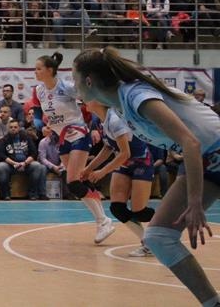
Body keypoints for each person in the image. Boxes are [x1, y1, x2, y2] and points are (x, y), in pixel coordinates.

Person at [72, 47, 220, 305]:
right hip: (202, 161)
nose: (73, 86)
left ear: (89, 81)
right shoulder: (118, 106)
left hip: (211, 152)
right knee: (158, 238)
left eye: (74, 79)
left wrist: (195, 201)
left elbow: (190, 142)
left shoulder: (136, 95)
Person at [31, 52, 114, 243]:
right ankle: (103, 220)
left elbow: (92, 103)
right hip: (61, 138)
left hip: (78, 133)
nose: (35, 72)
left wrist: (96, 127)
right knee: (79, 181)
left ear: (49, 70)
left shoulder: (66, 87)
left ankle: (103, 221)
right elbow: (38, 115)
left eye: (38, 68)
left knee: (73, 182)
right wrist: (41, 125)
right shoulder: (39, 90)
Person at [81, 101, 155, 257]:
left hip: (141, 162)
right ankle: (148, 243)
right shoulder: (100, 120)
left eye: (87, 98)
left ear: (99, 101)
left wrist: (102, 172)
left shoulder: (115, 119)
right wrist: (88, 169)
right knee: (117, 208)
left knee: (140, 211)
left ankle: (170, 219)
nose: (84, 101)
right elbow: (108, 148)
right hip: (124, 164)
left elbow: (125, 153)